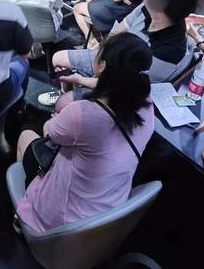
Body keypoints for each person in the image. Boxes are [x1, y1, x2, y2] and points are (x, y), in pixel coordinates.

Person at [16, 32, 154, 233]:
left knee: (27, 134)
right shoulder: (147, 106)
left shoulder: (82, 114)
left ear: (103, 66)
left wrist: (61, 108)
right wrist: (82, 80)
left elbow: (50, 133)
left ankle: (23, 216)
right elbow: (119, 86)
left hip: (63, 221)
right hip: (109, 215)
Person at [44, 0, 197, 109]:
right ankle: (65, 92)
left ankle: (70, 103)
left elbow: (124, 87)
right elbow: (116, 33)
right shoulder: (145, 10)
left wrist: (83, 80)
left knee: (65, 103)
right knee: (58, 59)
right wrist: (99, 61)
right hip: (112, 60)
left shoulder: (167, 53)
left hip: (123, 91)